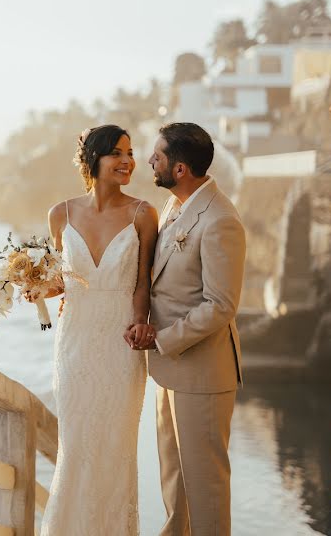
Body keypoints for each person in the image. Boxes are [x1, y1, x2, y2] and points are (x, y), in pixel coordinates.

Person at [32, 124, 159, 535]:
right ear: (93, 160)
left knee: (115, 447)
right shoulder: (60, 214)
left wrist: (141, 323)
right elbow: (60, 282)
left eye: (130, 152)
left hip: (121, 344)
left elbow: (143, 282)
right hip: (75, 343)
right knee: (77, 445)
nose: (127, 161)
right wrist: (29, 286)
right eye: (116, 153)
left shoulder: (143, 214)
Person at [130, 122, 246, 536]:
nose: (149, 162)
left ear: (179, 168)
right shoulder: (176, 206)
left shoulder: (219, 220)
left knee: (206, 492)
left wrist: (162, 339)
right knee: (175, 487)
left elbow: (221, 305)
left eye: (156, 156)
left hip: (202, 375)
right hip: (170, 371)